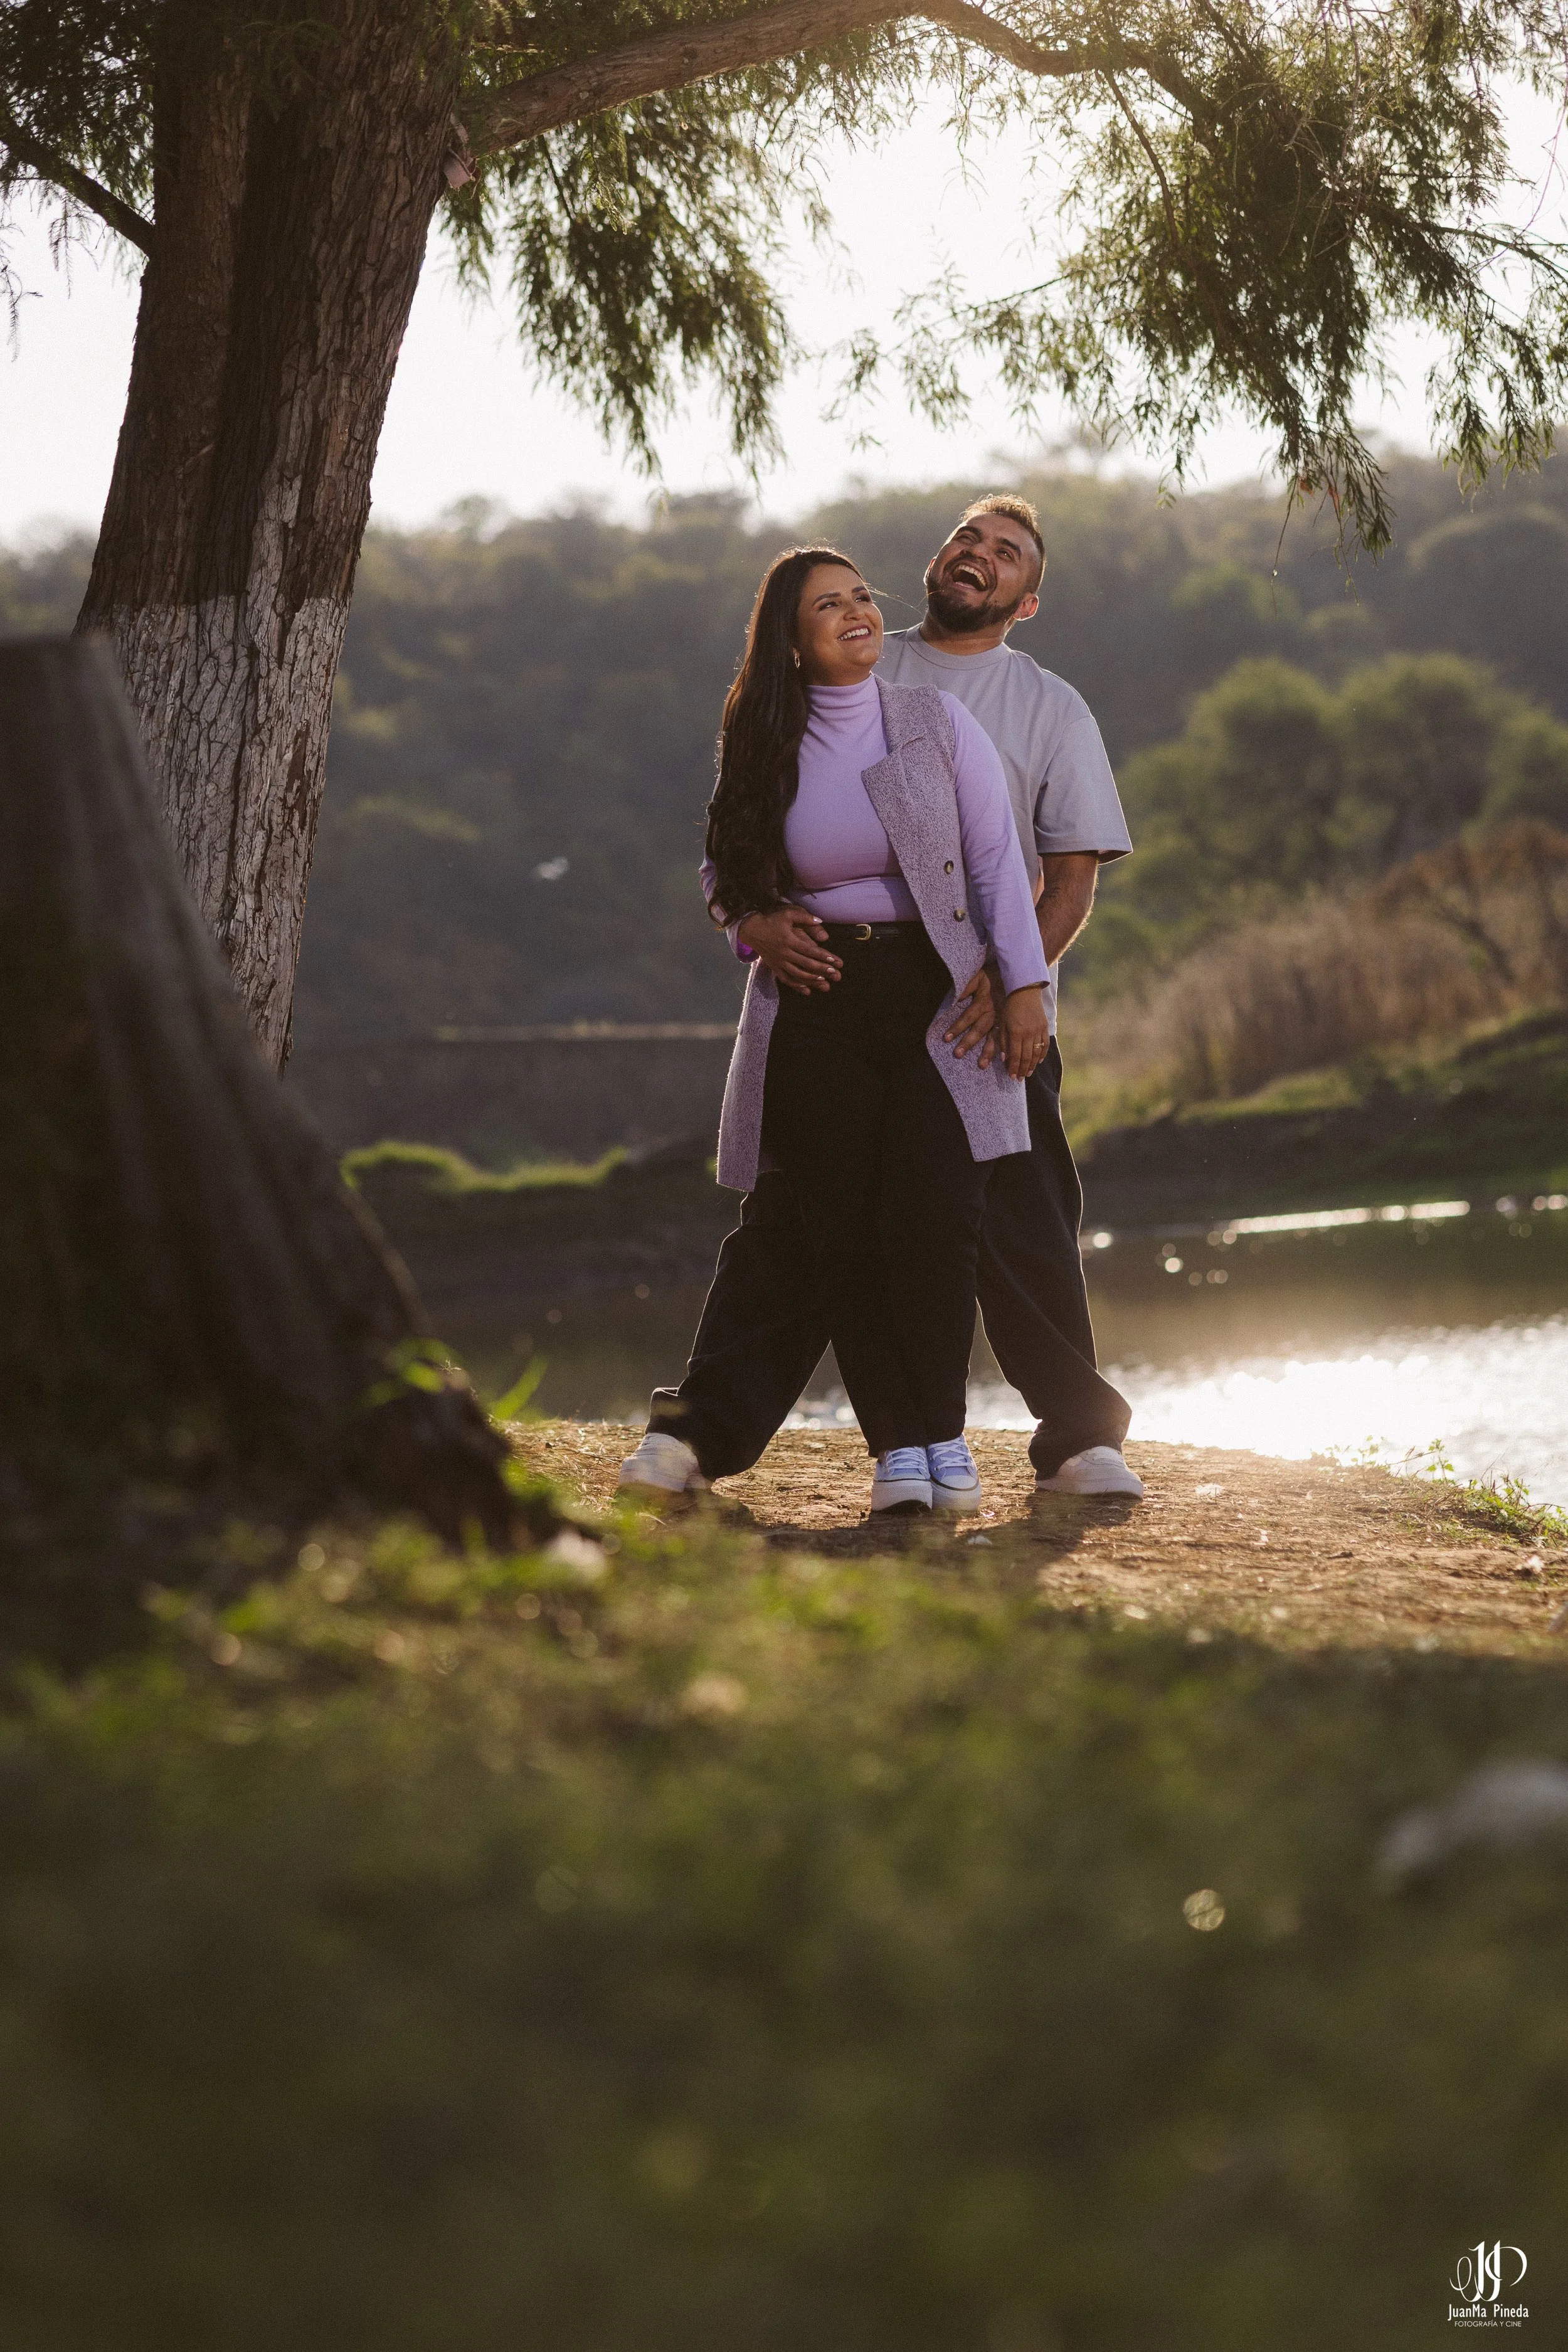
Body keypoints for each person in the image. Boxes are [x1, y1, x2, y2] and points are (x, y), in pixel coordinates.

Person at [620, 493, 1141, 1504]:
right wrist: (755, 920)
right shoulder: (851, 660)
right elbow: (743, 828)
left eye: (1007, 553)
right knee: (799, 1217)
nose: (979, 555)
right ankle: (697, 1434)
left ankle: (1080, 1438)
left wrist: (1011, 983)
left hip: (990, 1004)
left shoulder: (1049, 707)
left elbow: (1065, 881)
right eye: (967, 538)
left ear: (1027, 599)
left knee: (1021, 1211)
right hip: (846, 1000)